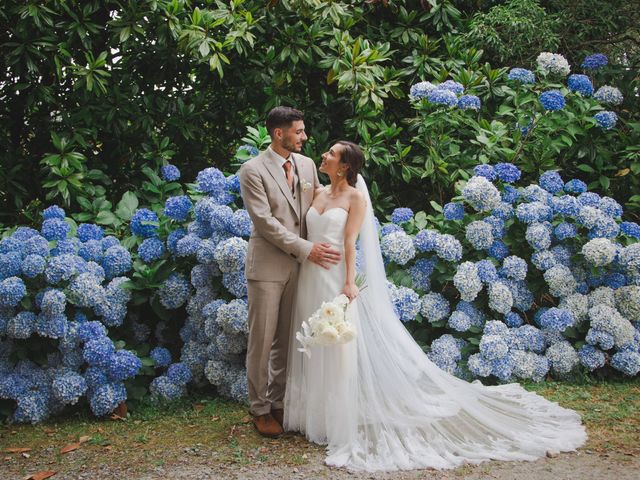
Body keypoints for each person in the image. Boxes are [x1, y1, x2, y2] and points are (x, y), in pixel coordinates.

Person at [284, 141, 587, 471]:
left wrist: (349, 283)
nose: (324, 156)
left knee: (339, 345)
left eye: (331, 154)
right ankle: (311, 414)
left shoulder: (355, 198)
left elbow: (350, 243)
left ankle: (336, 417)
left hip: (336, 277)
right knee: (310, 339)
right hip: (310, 276)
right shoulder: (316, 193)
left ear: (344, 166)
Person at [238, 107, 342, 438]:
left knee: (287, 339)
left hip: (303, 267)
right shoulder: (252, 170)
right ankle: (259, 409)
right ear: (278, 134)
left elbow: (315, 208)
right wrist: (305, 248)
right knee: (263, 339)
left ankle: (279, 402)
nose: (304, 137)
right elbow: (264, 222)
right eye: (298, 132)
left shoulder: (308, 165)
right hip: (268, 266)